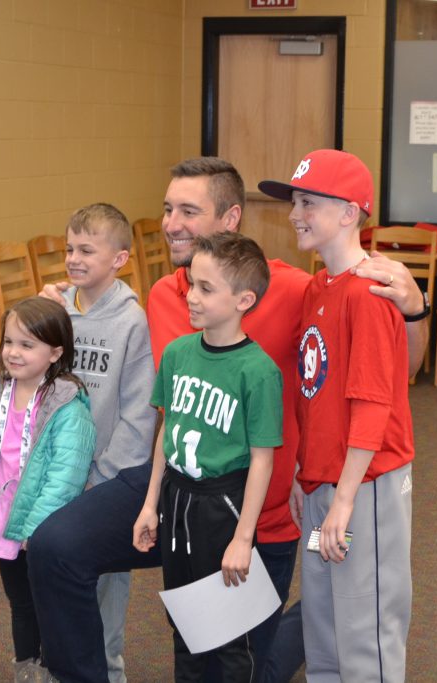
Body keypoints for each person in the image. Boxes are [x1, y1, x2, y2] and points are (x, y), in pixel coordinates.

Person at [31, 157, 426, 683]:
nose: (172, 223)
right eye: (168, 208)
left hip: (262, 515)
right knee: (54, 547)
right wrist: (54, 316)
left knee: (246, 662)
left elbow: (394, 372)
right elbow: (120, 364)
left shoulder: (293, 289)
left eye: (189, 211)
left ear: (232, 218)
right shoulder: (163, 295)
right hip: (181, 495)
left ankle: (302, 628)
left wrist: (415, 308)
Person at [258, 149, 416, 682]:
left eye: (308, 202)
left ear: (349, 212)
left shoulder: (368, 293)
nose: (294, 213)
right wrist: (308, 477)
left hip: (364, 484)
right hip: (326, 479)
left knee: (364, 634)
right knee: (322, 633)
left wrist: (344, 497)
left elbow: (373, 402)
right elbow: (312, 394)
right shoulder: (319, 288)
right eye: (295, 202)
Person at [134, 231, 281, 681]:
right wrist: (149, 504)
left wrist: (242, 537)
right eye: (190, 284)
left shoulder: (258, 371)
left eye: (205, 289)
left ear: (244, 299)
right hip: (177, 500)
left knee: (229, 638)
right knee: (185, 624)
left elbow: (262, 459)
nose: (191, 297)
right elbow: (167, 430)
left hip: (223, 506)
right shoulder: (178, 354)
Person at [0, 296, 97, 683]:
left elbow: (65, 477)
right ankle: (26, 670)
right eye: (9, 342)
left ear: (55, 352)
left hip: (43, 527)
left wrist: (37, 529)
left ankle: (54, 669)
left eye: (27, 345)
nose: (13, 353)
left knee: (50, 603)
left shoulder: (67, 406)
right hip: (5, 516)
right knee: (20, 601)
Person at [59, 203, 158, 683]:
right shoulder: (56, 311)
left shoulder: (131, 321)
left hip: (105, 479)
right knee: (58, 578)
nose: (74, 259)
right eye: (69, 249)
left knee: (105, 581)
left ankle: (110, 670)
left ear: (119, 258)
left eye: (86, 250)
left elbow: (139, 412)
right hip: (56, 475)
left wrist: (105, 478)